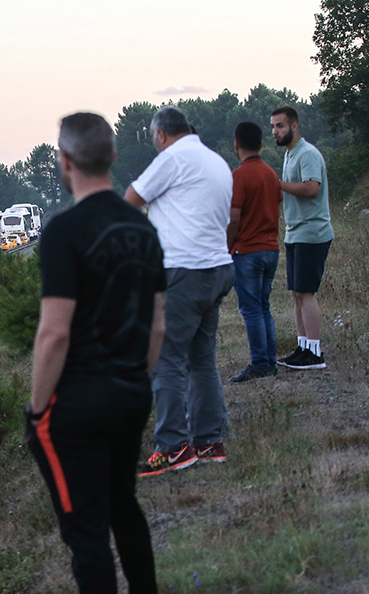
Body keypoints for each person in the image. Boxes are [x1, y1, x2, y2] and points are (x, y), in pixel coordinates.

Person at [26, 112, 167, 594]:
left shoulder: (63, 232)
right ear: (111, 158)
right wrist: (134, 377)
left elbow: (54, 333)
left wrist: (37, 410)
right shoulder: (144, 230)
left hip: (77, 402)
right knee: (122, 504)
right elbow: (158, 325)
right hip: (133, 389)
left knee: (85, 528)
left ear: (65, 162)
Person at [124, 105, 234, 475]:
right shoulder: (216, 161)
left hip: (182, 271)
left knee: (165, 359)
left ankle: (173, 448)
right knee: (202, 359)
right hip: (217, 268)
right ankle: (209, 441)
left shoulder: (173, 158)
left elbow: (132, 198)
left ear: (160, 135)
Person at [272, 105, 334, 370]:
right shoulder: (289, 155)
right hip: (295, 232)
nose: (275, 131)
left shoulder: (307, 154)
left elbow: (311, 188)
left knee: (306, 292)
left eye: (280, 126)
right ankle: (303, 346)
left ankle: (315, 353)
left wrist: (276, 184)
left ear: (294, 126)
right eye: (273, 126)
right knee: (297, 292)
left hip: (312, 232)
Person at [227, 121, 282, 383]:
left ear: (236, 145)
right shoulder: (271, 174)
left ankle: (260, 363)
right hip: (271, 249)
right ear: (261, 144)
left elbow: (234, 218)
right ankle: (270, 361)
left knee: (250, 310)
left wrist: (228, 246)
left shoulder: (239, 176)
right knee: (263, 306)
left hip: (248, 251)